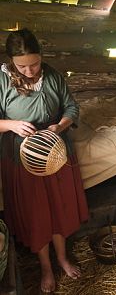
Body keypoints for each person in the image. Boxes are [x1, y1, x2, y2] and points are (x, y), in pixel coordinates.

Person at [0, 28, 89, 293]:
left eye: (35, 63)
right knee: (37, 213)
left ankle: (61, 258)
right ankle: (46, 268)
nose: (30, 71)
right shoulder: (1, 80)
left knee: (57, 207)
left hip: (55, 153)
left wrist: (59, 127)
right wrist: (12, 125)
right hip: (22, 157)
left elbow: (71, 108)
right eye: (23, 66)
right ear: (11, 61)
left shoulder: (53, 75)